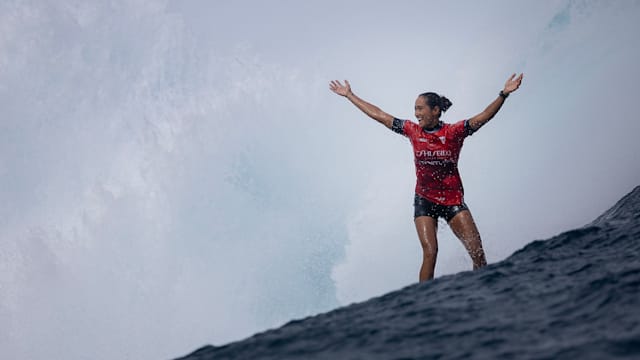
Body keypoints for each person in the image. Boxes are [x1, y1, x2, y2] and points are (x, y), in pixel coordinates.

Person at [329, 74, 524, 282]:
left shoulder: (454, 132)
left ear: (435, 110)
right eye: (415, 109)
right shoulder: (412, 131)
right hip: (425, 199)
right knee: (430, 252)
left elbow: (484, 116)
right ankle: (423, 301)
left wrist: (504, 94)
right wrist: (350, 95)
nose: (416, 114)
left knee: (478, 254)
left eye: (420, 108)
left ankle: (483, 290)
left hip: (452, 200)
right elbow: (380, 115)